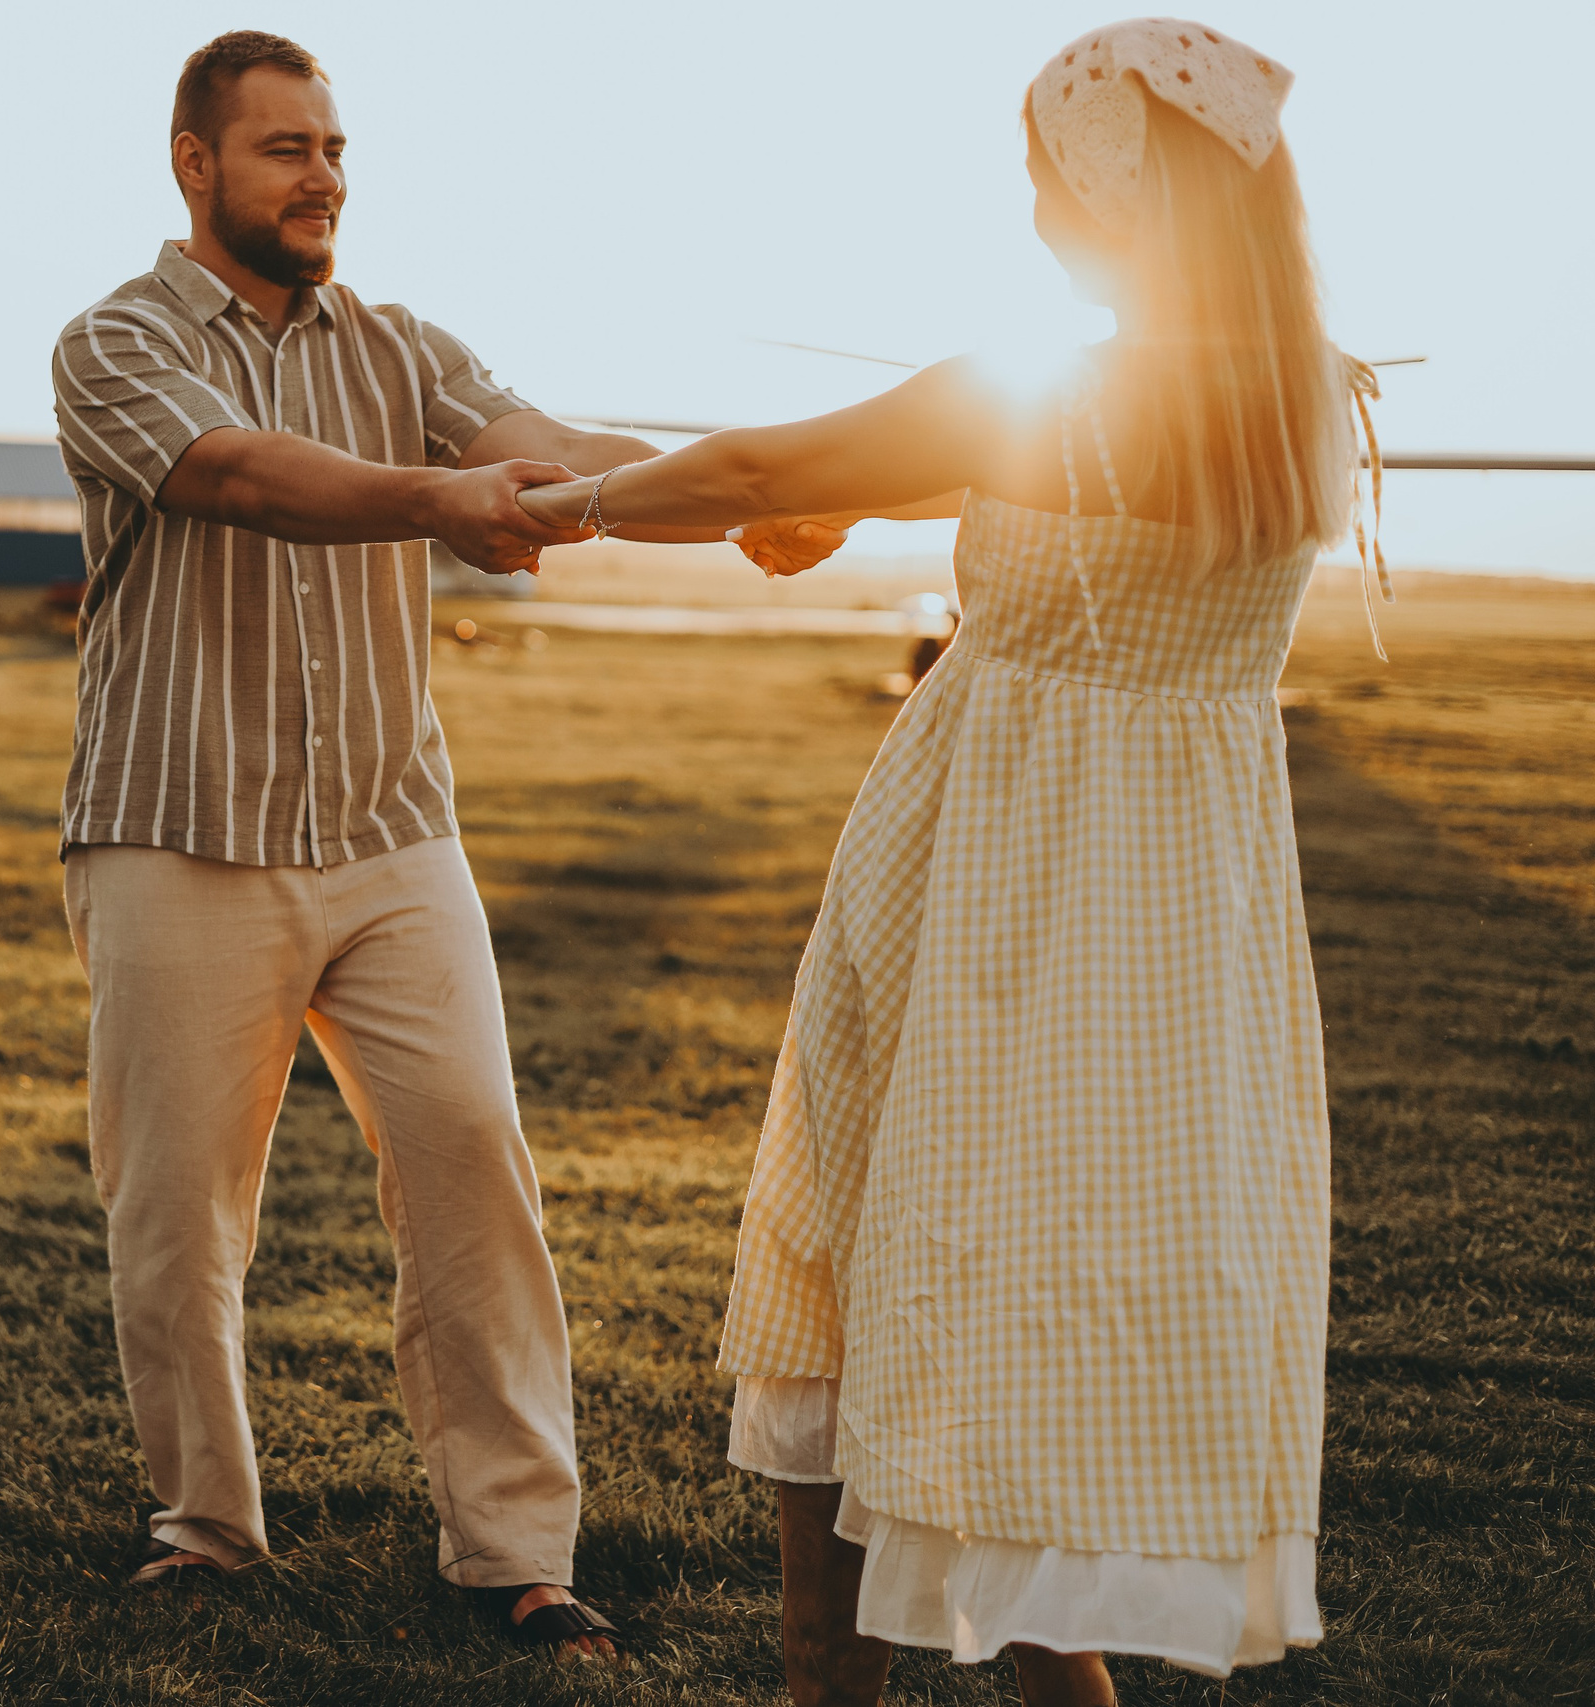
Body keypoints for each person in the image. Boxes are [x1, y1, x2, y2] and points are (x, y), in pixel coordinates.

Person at [524, 19, 1360, 1702]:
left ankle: (828, 1686)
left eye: (1048, 179)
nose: (1037, 215)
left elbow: (760, 467)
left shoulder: (1052, 395)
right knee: (1022, 1304)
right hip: (1171, 922)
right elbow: (1088, 512)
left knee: (864, 1254)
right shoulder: (1297, 397)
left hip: (988, 871)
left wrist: (566, 503)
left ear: (1117, 197)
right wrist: (876, 502)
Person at [49, 28, 836, 1662]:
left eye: (335, 148)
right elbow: (243, 476)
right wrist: (434, 502)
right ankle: (204, 1527)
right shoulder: (114, 341)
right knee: (179, 1209)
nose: (323, 176)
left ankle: (513, 1553)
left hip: (396, 840)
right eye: (285, 149)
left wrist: (736, 496)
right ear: (195, 164)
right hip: (176, 832)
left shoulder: (404, 344)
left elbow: (544, 450)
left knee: (476, 1160)